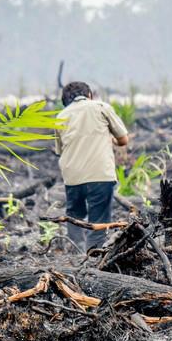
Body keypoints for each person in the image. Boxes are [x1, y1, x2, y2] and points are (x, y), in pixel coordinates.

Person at [55, 81, 129, 250]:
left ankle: (75, 251)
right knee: (99, 218)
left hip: (73, 176)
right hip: (100, 174)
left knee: (74, 215)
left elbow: (60, 150)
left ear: (65, 101)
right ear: (89, 95)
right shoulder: (101, 107)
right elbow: (123, 140)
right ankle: (93, 255)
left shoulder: (61, 116)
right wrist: (109, 139)